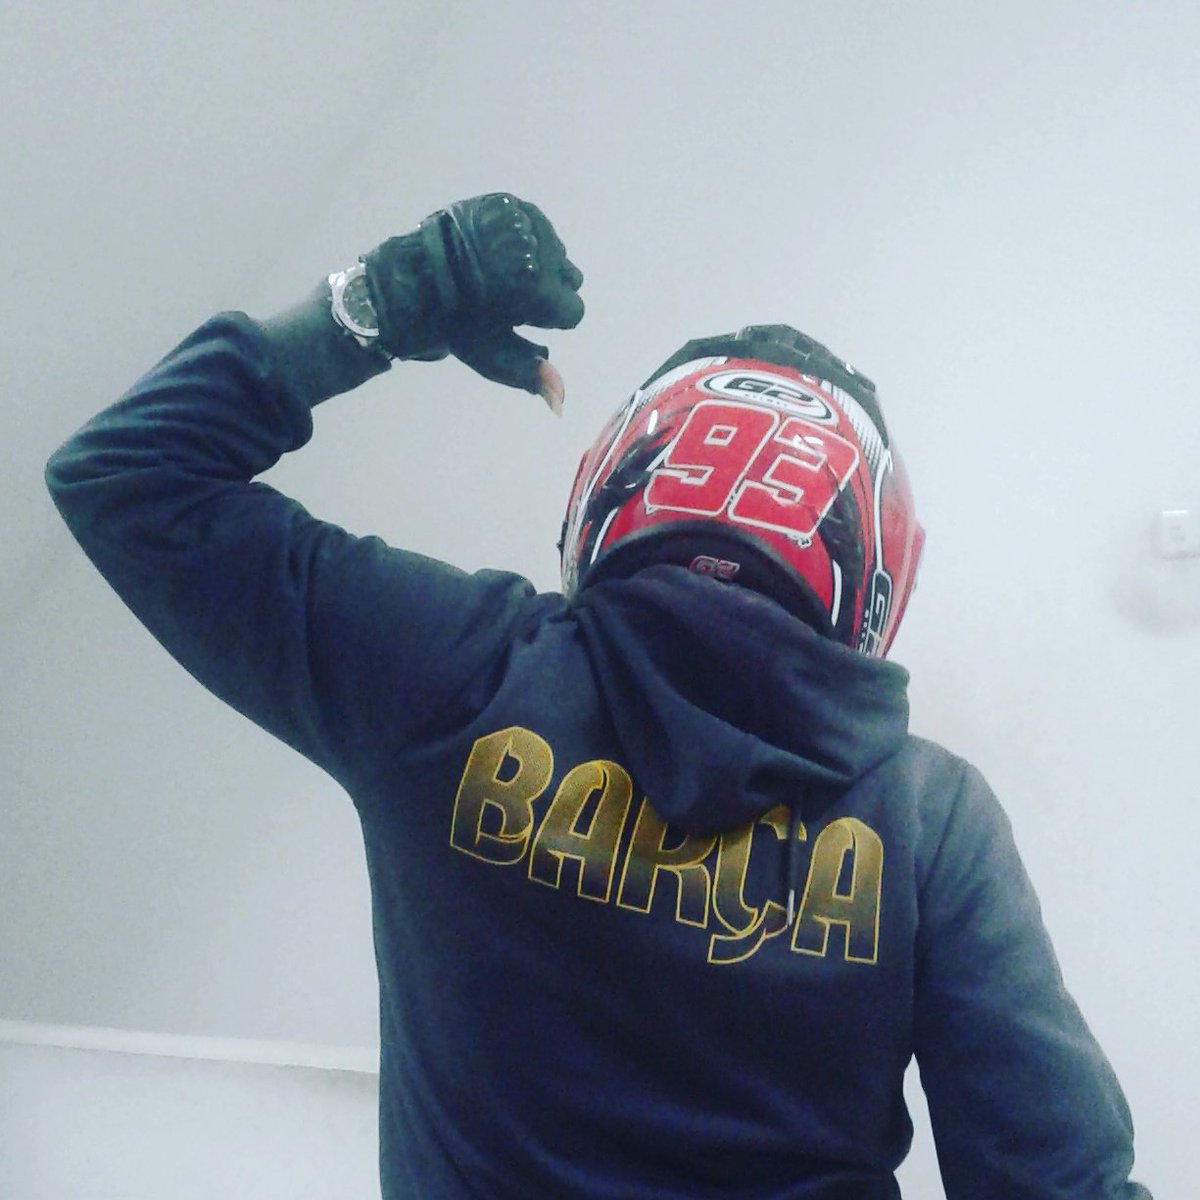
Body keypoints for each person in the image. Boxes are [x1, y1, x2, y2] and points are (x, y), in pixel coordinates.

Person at [45, 193, 1151, 1199]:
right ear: (872, 557)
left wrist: (380, 304)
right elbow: (1059, 1184)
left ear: (623, 479)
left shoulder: (453, 670)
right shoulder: (928, 820)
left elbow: (126, 476)